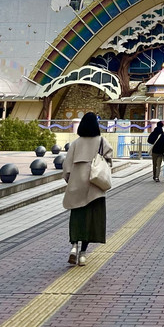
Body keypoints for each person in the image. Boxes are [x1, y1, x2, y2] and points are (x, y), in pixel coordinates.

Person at [62, 111, 113, 267]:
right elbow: (109, 160)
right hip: (95, 188)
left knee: (76, 218)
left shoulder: (76, 144)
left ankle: (73, 247)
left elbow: (66, 168)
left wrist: (71, 181)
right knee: (91, 221)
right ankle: (83, 254)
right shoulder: (101, 141)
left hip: (77, 186)